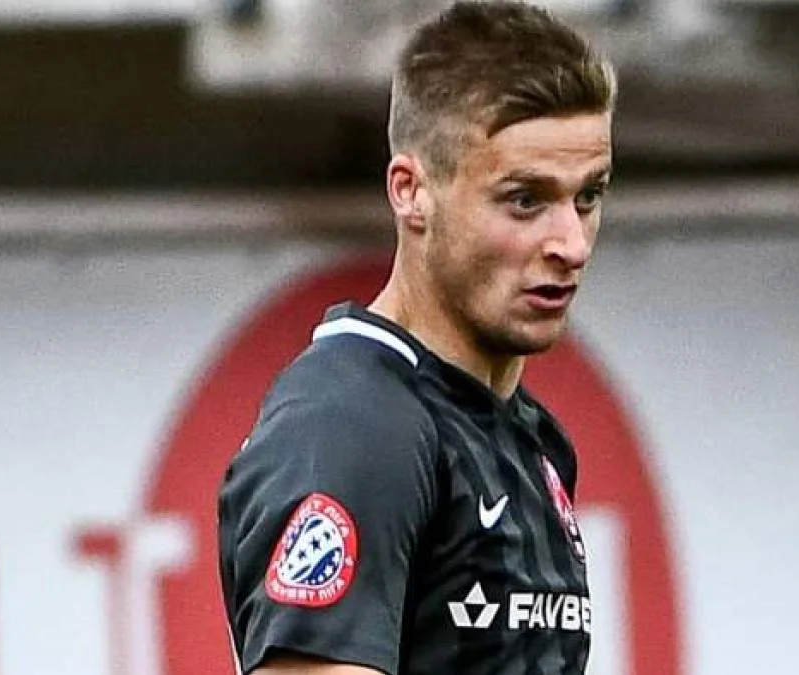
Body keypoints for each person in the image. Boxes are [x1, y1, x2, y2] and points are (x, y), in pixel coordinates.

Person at [217, 2, 615, 673]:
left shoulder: (531, 438)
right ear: (410, 191)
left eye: (588, 196)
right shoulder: (354, 424)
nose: (571, 243)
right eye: (525, 200)